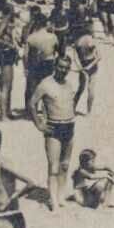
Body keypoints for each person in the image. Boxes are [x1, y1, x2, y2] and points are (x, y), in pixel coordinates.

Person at [28, 55, 77, 212]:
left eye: (66, 67)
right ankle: (53, 201)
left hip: (69, 126)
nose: (63, 70)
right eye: (60, 66)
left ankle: (60, 196)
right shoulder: (46, 84)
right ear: (55, 66)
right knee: (53, 166)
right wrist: (39, 124)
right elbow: (32, 103)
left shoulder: (69, 84)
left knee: (65, 164)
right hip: (54, 128)